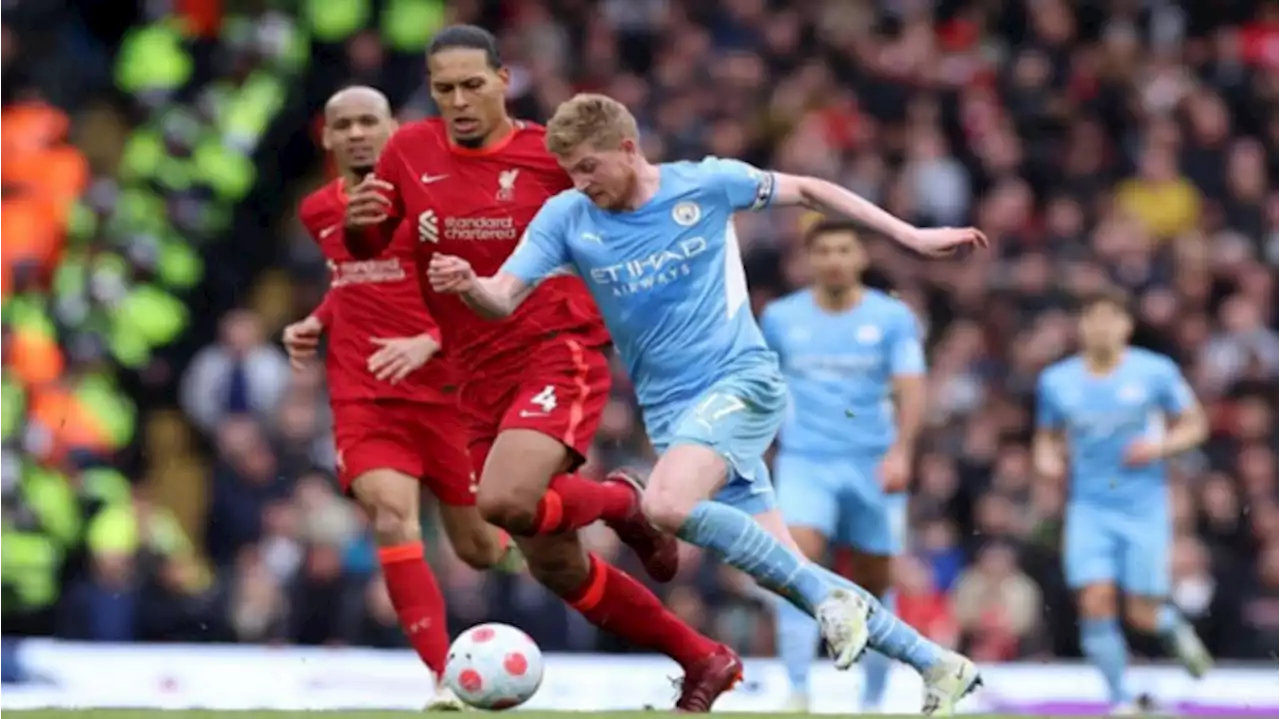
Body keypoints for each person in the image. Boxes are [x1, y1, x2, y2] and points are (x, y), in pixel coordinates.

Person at [430, 92, 986, 715]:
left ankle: (832, 602)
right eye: (570, 172)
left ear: (627, 149)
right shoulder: (567, 217)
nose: (581, 182)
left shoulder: (709, 183)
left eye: (589, 167)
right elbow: (502, 297)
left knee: (665, 505)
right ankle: (937, 664)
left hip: (740, 383)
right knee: (788, 572)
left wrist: (909, 234)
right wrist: (469, 286)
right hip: (674, 417)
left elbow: (809, 189)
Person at [339, 28, 741, 711]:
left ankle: (623, 502)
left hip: (557, 349)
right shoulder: (408, 149)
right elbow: (379, 241)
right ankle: (703, 658)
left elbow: (638, 208)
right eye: (444, 89)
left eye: (473, 84)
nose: (459, 101)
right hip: (473, 373)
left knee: (501, 503)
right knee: (554, 563)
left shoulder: (548, 158)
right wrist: (360, 224)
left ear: (504, 78)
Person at [282, 86, 520, 710]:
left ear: (394, 130)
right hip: (366, 396)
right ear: (328, 138)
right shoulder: (317, 211)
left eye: (370, 121)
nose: (358, 133)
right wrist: (318, 320)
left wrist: (427, 340)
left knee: (478, 549)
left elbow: (487, 292)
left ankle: (537, 541)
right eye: (345, 125)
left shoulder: (440, 204)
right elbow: (353, 280)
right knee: (392, 515)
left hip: (447, 394)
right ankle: (444, 675)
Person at [761, 220, 923, 711]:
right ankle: (796, 689)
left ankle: (872, 699)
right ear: (809, 259)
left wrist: (902, 453)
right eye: (824, 250)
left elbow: (911, 386)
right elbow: (764, 386)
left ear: (860, 258)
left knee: (875, 583)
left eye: (844, 250)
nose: (834, 259)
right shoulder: (781, 318)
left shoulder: (892, 318)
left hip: (872, 464)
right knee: (796, 567)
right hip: (806, 461)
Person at [1034, 288, 1214, 714]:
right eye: (1091, 318)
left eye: (1109, 318)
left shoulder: (1155, 372)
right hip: (1089, 509)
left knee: (1141, 612)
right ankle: (1120, 700)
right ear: (1080, 326)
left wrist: (1160, 447)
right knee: (1094, 599)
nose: (1100, 327)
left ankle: (1172, 627)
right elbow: (1046, 438)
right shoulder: (1057, 381)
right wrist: (1047, 462)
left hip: (1144, 508)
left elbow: (1195, 425)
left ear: (1126, 326)